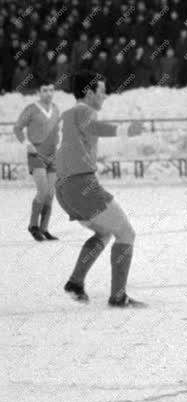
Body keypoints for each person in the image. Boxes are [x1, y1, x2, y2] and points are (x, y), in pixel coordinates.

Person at [56, 70, 146, 307]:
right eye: (102, 91)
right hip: (82, 185)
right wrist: (126, 130)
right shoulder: (84, 111)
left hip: (64, 188)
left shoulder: (66, 115)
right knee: (126, 233)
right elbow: (95, 128)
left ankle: (76, 282)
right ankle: (118, 297)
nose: (105, 96)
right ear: (89, 92)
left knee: (104, 233)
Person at [13, 83, 61, 241]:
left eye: (51, 90)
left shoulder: (56, 109)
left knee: (51, 194)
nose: (48, 93)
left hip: (53, 155)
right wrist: (28, 144)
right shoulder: (31, 109)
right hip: (36, 154)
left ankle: (44, 228)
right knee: (43, 190)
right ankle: (33, 225)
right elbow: (17, 128)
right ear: (38, 92)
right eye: (45, 90)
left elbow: (56, 132)